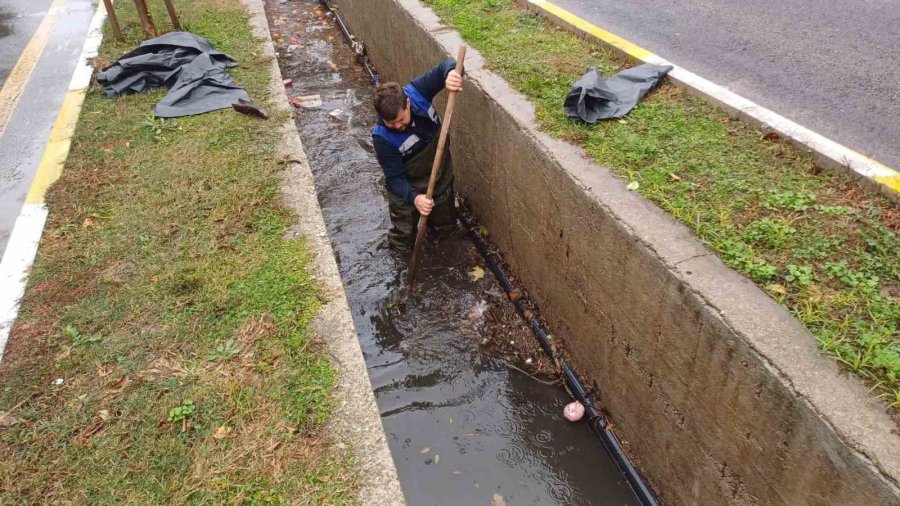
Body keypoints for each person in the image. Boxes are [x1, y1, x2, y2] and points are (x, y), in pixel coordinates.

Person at [372, 60, 463, 251]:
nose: (398, 126)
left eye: (400, 120)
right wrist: (415, 198)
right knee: (404, 237)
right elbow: (395, 178)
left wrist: (452, 74)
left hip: (438, 172)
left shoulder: (417, 92)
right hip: (407, 182)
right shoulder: (382, 139)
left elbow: (445, 67)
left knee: (445, 225)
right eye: (391, 124)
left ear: (407, 103)